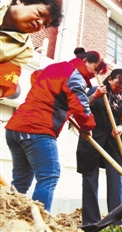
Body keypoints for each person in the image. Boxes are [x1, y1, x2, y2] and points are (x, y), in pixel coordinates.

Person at [5, 47, 107, 211]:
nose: (94, 76)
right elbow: (81, 107)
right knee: (49, 175)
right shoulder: (75, 76)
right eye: (95, 70)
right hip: (37, 129)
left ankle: (10, 221)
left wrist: (54, 101)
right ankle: (38, 224)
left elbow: (35, 76)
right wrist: (88, 126)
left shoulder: (53, 68)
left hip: (15, 128)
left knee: (21, 182)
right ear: (85, 61)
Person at [76, 68, 122, 226]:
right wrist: (95, 96)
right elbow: (81, 107)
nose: (121, 88)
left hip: (113, 143)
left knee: (116, 179)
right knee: (90, 180)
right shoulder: (96, 90)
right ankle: (91, 222)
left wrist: (121, 128)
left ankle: (115, 222)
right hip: (92, 140)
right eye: (118, 84)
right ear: (109, 79)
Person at [0, 0, 63, 98]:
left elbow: (3, 82)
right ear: (21, 1)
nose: (40, 23)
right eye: (40, 13)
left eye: (45, 24)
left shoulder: (25, 50)